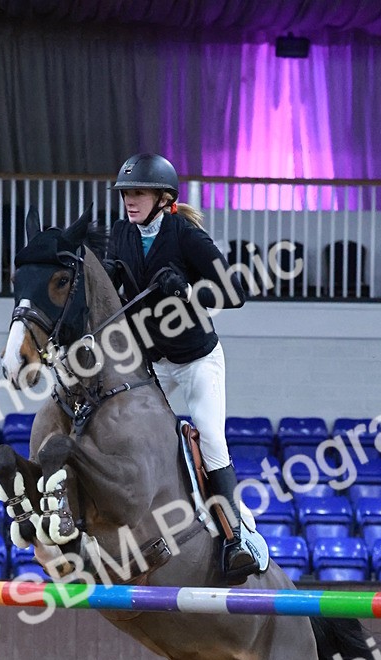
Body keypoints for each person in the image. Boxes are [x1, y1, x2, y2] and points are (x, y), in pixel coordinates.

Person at [105, 151, 269, 578]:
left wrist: (188, 292)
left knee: (211, 438)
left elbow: (235, 293)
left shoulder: (184, 234)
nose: (130, 201)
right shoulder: (121, 234)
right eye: (126, 193)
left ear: (163, 198)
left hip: (197, 361)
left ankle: (238, 538)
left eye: (138, 193)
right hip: (154, 362)